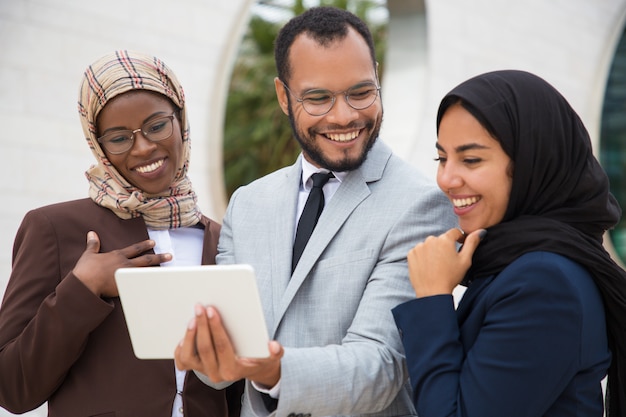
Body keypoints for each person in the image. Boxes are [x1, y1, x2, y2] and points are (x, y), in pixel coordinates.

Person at [174, 6, 456, 417]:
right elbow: (220, 374)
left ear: (378, 76)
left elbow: (381, 367)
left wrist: (274, 370)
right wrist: (206, 352)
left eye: (360, 92)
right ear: (283, 97)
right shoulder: (248, 203)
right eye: (318, 98)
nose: (344, 116)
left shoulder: (421, 205)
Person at [0, 50, 243, 417]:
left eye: (158, 126)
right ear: (99, 147)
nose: (144, 147)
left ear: (181, 121)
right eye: (119, 138)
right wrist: (82, 288)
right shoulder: (55, 229)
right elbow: (12, 389)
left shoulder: (223, 239)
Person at [392, 69, 626, 417]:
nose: (446, 179)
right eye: (441, 158)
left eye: (471, 160)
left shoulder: (545, 282)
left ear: (532, 164)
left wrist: (432, 298)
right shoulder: (513, 263)